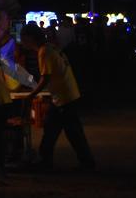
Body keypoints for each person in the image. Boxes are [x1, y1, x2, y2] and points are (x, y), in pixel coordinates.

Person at [20, 24, 96, 171]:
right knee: (64, 130)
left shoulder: (44, 51)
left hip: (63, 97)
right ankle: (83, 161)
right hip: (68, 94)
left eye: (23, 39)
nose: (22, 42)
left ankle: (48, 161)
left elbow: (45, 77)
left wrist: (31, 95)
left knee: (60, 131)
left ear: (30, 38)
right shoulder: (51, 47)